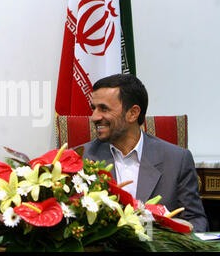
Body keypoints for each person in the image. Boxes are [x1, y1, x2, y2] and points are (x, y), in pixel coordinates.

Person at [81, 73, 208, 232]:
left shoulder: (176, 160)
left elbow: (196, 221)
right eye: (94, 108)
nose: (94, 117)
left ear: (133, 113)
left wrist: (171, 231)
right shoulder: (80, 158)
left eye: (104, 108)